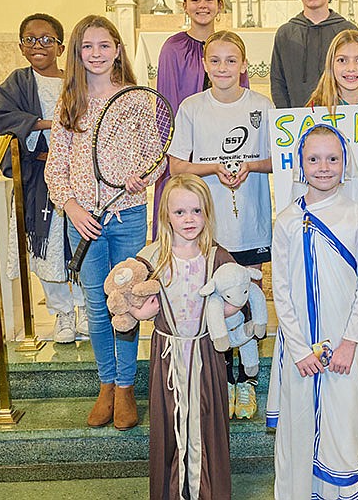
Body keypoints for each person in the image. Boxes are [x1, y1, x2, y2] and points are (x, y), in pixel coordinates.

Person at [46, 15, 163, 430]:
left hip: (128, 214)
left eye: (104, 45)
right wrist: (73, 207)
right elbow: (55, 167)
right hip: (85, 221)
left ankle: (128, 387)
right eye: (87, 47)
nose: (96, 54)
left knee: (126, 303)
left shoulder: (135, 99)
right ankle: (106, 385)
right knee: (97, 305)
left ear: (117, 49)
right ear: (77, 53)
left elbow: (155, 154)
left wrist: (141, 176)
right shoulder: (69, 103)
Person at [265, 124, 358, 500]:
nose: (323, 166)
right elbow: (280, 290)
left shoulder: (357, 217)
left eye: (332, 158)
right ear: (300, 164)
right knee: (299, 429)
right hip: (298, 350)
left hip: (345, 344)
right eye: (314, 159)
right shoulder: (286, 221)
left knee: (342, 427)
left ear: (345, 164)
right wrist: (298, 349)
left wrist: (349, 344)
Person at [168, 30, 272, 420]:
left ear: (244, 66)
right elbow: (177, 165)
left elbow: (282, 159)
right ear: (204, 65)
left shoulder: (261, 104)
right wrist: (214, 167)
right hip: (209, 227)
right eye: (216, 60)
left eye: (232, 60)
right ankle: (221, 379)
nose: (223, 67)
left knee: (247, 301)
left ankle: (247, 381)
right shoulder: (193, 108)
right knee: (214, 302)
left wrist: (249, 166)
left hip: (252, 222)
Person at [129, 174, 236, 500]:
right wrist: (137, 311)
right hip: (168, 359)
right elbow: (131, 300)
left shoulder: (218, 257)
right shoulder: (152, 258)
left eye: (196, 211)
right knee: (170, 424)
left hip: (206, 356)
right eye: (180, 213)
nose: (189, 219)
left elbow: (237, 297)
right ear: (165, 216)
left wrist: (225, 309)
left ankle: (208, 492)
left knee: (207, 423)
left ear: (207, 214)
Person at [0, 13, 87, 344]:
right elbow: (3, 119)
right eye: (30, 40)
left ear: (61, 47)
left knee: (80, 245)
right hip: (38, 177)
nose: (38, 45)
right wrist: (48, 125)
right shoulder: (16, 82)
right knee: (47, 250)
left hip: (79, 177)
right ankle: (61, 314)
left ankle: (85, 307)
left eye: (47, 39)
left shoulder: (79, 79)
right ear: (21, 46)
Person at [306, 29, 358, 421]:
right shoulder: (312, 112)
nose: (351, 69)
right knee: (329, 300)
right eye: (342, 61)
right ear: (331, 66)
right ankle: (325, 377)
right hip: (325, 229)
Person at [153, 0, 249, 236]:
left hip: (225, 148)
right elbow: (166, 104)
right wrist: (171, 153)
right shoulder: (173, 48)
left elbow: (243, 100)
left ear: (220, 4)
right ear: (184, 6)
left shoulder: (230, 46)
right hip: (187, 152)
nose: (202, 5)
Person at [270, 0, 358, 108]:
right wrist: (286, 115)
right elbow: (278, 82)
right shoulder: (286, 33)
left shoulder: (347, 31)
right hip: (297, 118)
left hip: (341, 116)